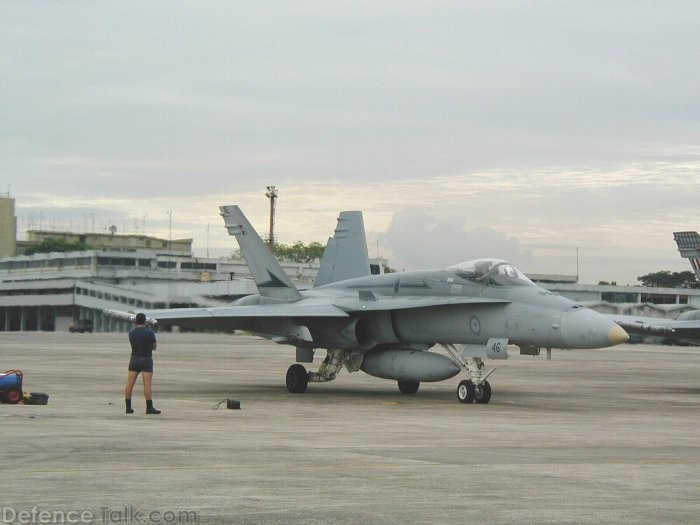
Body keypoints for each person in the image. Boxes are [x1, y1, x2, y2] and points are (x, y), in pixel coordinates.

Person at [124, 312, 160, 414]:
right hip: (146, 359)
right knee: (147, 384)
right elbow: (154, 347)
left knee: (130, 384)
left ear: (136, 321)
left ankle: (128, 407)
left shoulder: (131, 333)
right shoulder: (150, 333)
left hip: (134, 359)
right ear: (145, 321)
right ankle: (149, 407)